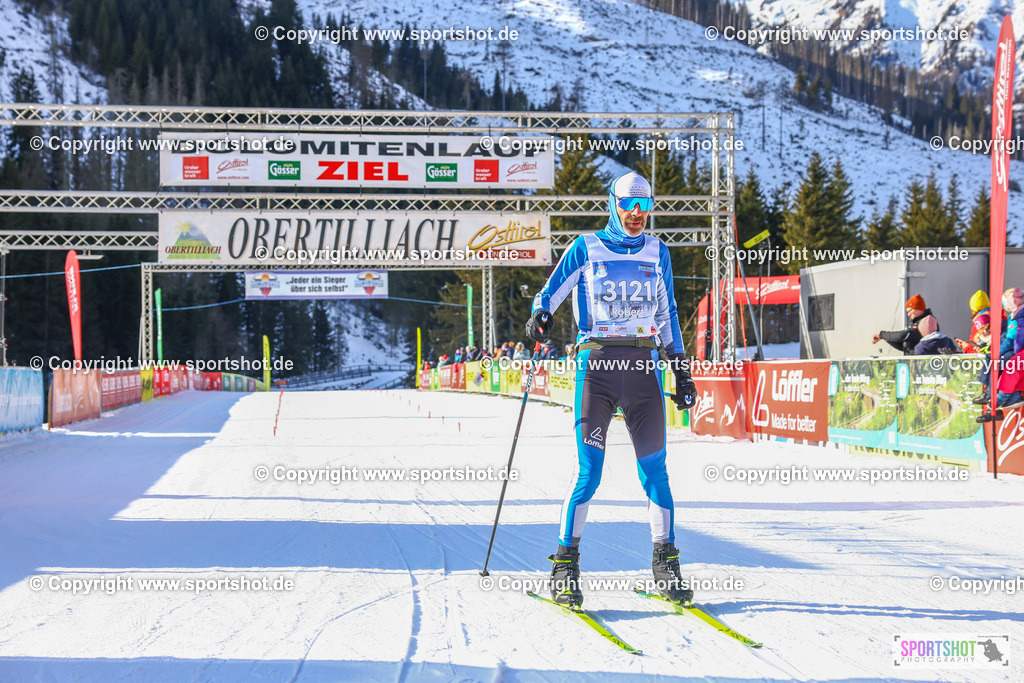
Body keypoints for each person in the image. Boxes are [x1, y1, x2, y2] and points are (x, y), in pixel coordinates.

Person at [524, 171, 697, 609]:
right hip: (597, 368)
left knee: (655, 471)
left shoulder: (659, 252)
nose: (637, 215)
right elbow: (548, 294)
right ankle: (564, 566)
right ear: (613, 205)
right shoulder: (586, 247)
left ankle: (666, 562)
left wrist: (681, 370)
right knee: (589, 473)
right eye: (628, 206)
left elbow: (668, 314)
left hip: (643, 368)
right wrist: (540, 314)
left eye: (644, 206)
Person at [872, 294, 938, 354]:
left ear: (918, 308)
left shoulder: (928, 322)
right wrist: (887, 339)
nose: (908, 314)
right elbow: (904, 346)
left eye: (910, 311)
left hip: (921, 363)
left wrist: (882, 334)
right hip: (912, 362)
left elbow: (903, 335)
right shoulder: (916, 322)